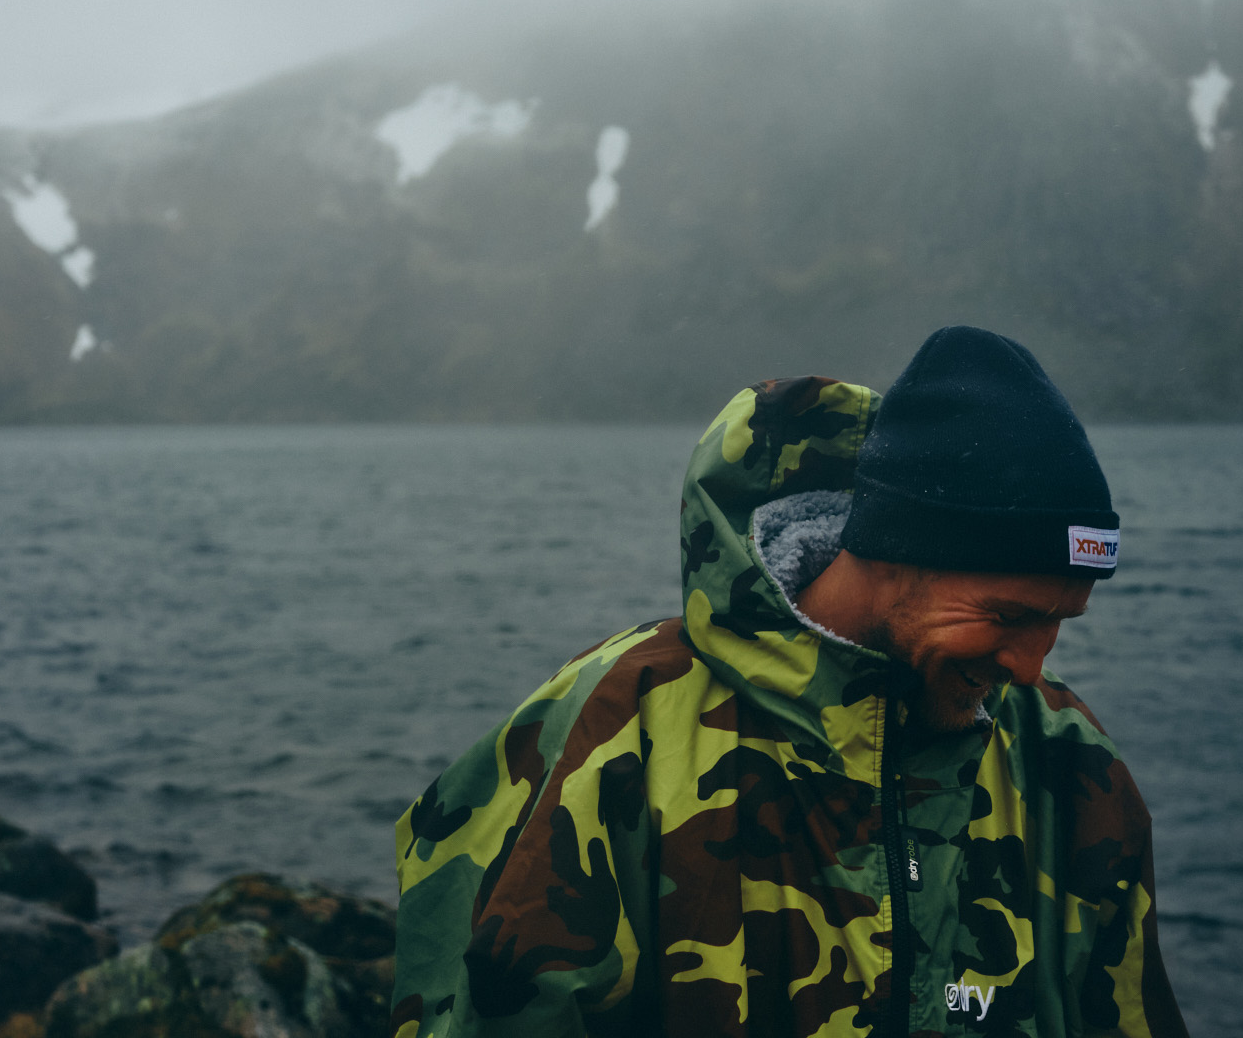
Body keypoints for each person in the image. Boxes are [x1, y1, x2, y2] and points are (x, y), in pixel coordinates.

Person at [391, 326, 1188, 1037]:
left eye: (1060, 621)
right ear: (891, 551)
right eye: (1008, 616)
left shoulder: (1069, 763)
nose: (1030, 664)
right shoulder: (616, 725)